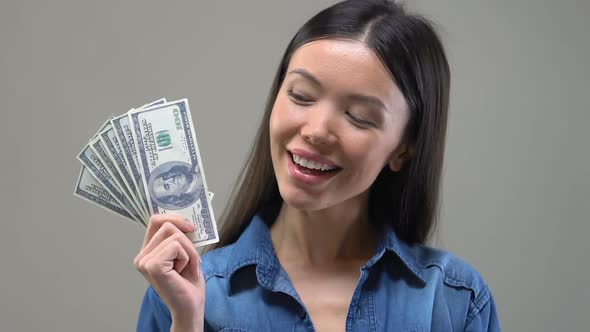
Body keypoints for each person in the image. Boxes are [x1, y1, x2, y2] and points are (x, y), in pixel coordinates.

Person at [135, 0, 500, 331]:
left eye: (358, 117)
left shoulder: (454, 301)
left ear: (404, 149)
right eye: (301, 96)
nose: (316, 131)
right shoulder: (185, 292)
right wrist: (186, 320)